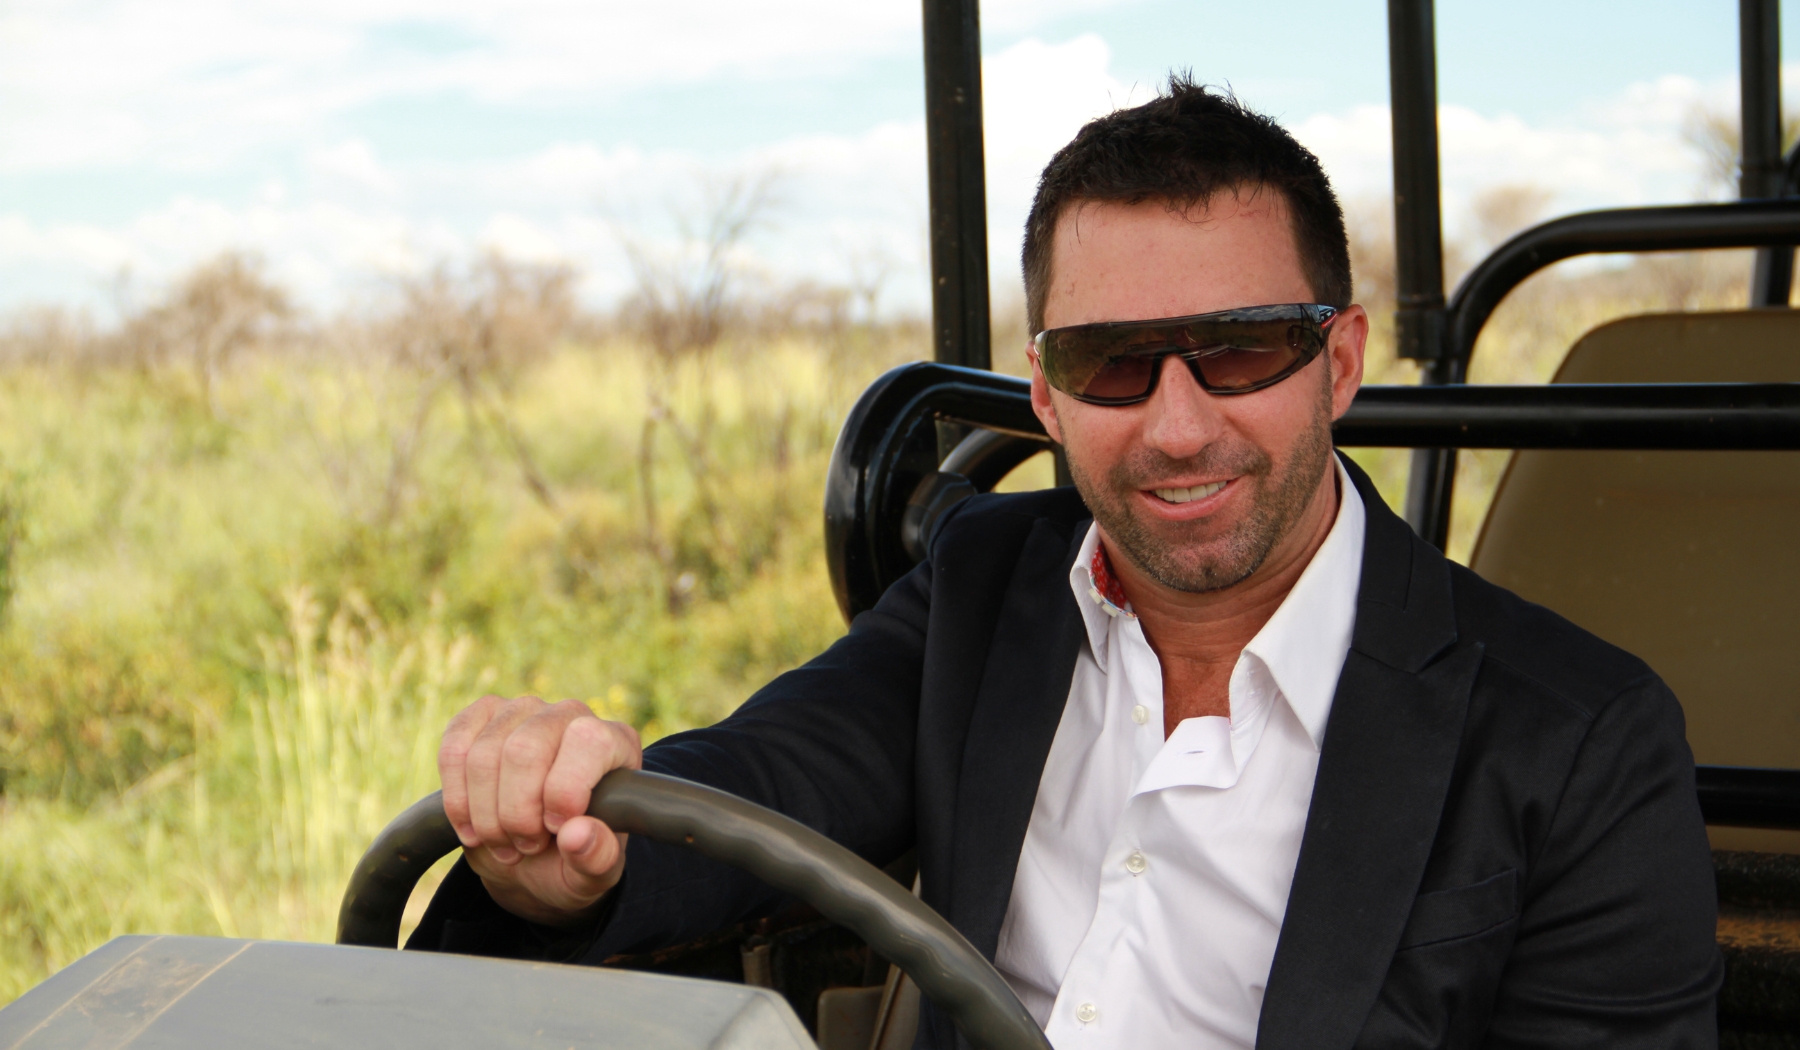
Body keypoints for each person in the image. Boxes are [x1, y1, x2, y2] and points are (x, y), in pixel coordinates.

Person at [409, 78, 1721, 1049]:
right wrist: (573, 839)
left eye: (1241, 348)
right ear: (1044, 395)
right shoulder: (988, 585)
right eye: (1110, 362)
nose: (1178, 424)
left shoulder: (1576, 739)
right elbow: (764, 784)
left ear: (1338, 363)